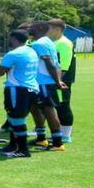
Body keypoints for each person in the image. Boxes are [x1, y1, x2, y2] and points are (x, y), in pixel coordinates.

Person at [0, 29, 39, 157]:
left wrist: (4, 66)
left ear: (14, 38)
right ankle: (13, 145)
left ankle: (23, 150)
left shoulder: (13, 54)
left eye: (9, 38)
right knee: (14, 117)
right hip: (31, 88)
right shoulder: (31, 51)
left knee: (17, 119)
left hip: (17, 89)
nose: (8, 40)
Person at [28, 21, 67, 151]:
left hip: (43, 82)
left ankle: (57, 143)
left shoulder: (39, 43)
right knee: (35, 108)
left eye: (31, 26)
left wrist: (57, 81)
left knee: (48, 110)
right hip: (39, 82)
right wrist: (58, 79)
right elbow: (58, 64)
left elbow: (50, 63)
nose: (29, 28)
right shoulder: (48, 42)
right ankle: (41, 139)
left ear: (39, 28)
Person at [48, 19, 76, 143]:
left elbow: (64, 66)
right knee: (55, 106)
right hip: (55, 80)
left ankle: (66, 135)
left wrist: (58, 80)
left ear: (58, 29)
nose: (47, 31)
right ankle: (59, 132)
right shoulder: (55, 42)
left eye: (49, 28)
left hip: (62, 80)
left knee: (63, 106)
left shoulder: (64, 43)